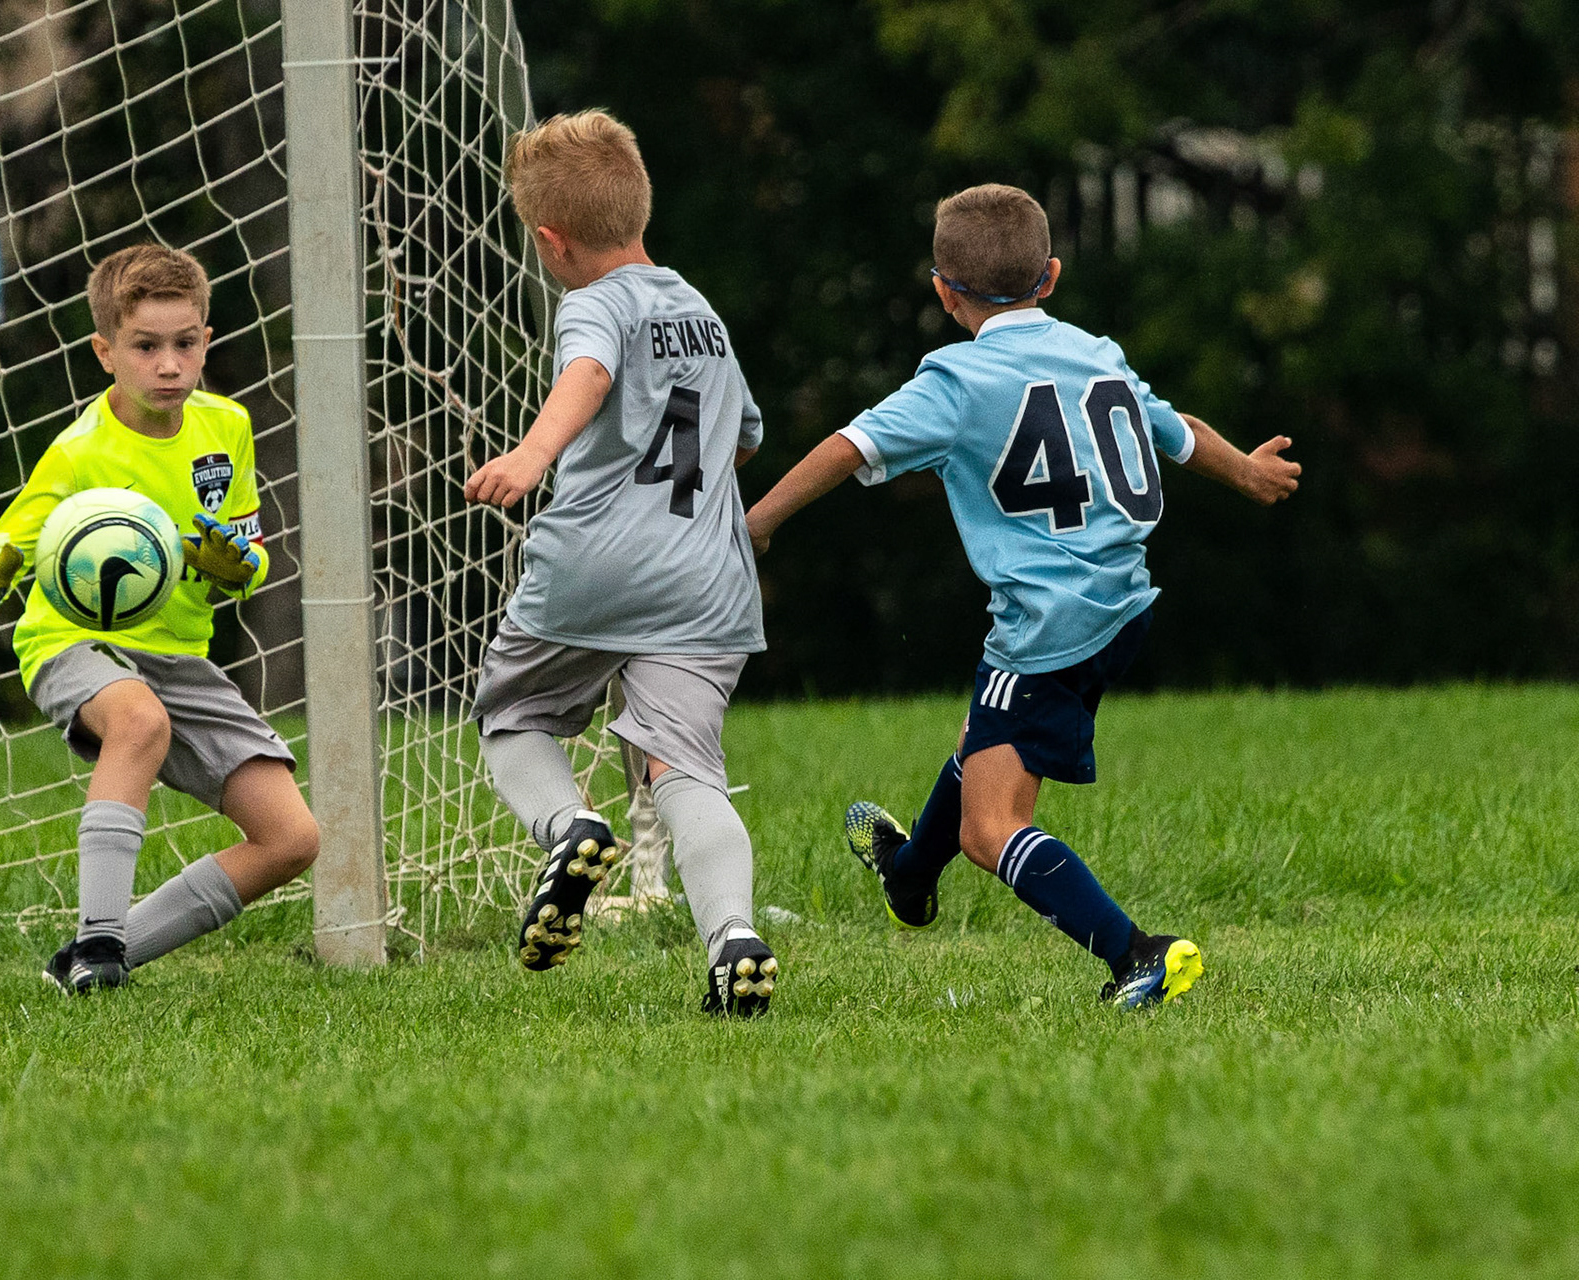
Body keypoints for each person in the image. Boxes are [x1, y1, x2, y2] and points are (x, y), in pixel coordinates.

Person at [746, 183, 1301, 1008]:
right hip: (1122, 603)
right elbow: (1174, 430)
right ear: (1051, 276)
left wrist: (755, 523)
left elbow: (847, 444)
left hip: (1047, 626)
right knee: (988, 731)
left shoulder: (957, 380)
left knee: (989, 826)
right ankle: (906, 876)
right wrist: (1249, 472)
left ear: (942, 290)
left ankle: (1136, 953)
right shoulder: (1096, 353)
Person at [463, 109, 776, 1016]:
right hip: (707, 582)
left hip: (596, 565)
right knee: (684, 767)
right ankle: (732, 936)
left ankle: (570, 827)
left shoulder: (591, 303)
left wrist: (531, 457)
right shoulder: (701, 311)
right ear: (640, 211)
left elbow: (589, 375)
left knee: (515, 715)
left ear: (552, 241)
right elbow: (743, 438)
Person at [0, 243, 317, 995]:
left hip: (179, 656)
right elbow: (9, 553)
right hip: (72, 642)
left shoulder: (227, 427)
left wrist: (234, 569)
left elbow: (249, 558)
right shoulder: (79, 452)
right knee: (138, 722)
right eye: (146, 346)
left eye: (185, 344)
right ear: (105, 351)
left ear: (206, 342)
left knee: (291, 839)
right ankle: (98, 939)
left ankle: (88, 964)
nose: (168, 364)